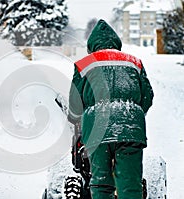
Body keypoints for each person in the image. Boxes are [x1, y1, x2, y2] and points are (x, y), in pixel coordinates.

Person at [67, 19, 154, 199]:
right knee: (130, 184)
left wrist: (76, 117)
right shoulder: (134, 63)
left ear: (92, 45)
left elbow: (75, 103)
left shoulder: (84, 64)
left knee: (101, 183)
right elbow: (147, 96)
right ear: (116, 43)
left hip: (97, 130)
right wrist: (133, 114)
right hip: (131, 129)